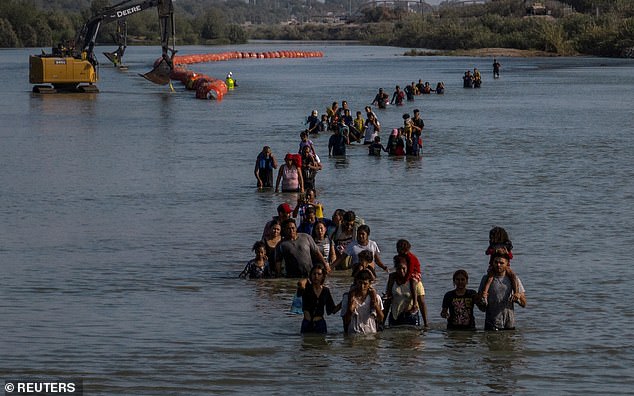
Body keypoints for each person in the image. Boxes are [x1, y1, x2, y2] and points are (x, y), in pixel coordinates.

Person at [476, 248, 526, 330]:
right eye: (496, 262)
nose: (498, 265)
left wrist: (518, 298)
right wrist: (481, 300)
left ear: (507, 263)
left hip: (509, 325)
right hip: (491, 325)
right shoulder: (486, 279)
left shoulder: (514, 279)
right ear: (492, 263)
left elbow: (524, 304)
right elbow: (482, 308)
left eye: (501, 263)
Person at [383, 255, 429, 328]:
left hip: (411, 317)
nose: (401, 271)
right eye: (398, 269)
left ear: (408, 268)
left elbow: (422, 303)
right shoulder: (392, 282)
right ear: (395, 269)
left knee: (412, 338)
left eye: (404, 268)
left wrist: (426, 324)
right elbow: (387, 303)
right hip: (395, 317)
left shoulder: (416, 283)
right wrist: (382, 322)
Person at [296, 264, 339, 334]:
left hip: (320, 324)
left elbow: (332, 310)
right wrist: (307, 279)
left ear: (323, 276)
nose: (316, 276)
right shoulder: (306, 289)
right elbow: (300, 284)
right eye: (314, 274)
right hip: (307, 323)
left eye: (319, 274)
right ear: (311, 275)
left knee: (322, 344)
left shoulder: (326, 291)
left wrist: (344, 302)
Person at [341, 269, 384, 335]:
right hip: (353, 335)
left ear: (369, 283)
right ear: (356, 282)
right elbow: (345, 321)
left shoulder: (376, 297)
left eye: (365, 283)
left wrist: (375, 305)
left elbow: (381, 318)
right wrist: (350, 310)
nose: (362, 286)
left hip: (371, 335)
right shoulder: (347, 298)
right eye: (360, 282)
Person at [481, 226, 518, 301]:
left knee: (513, 276)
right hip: (493, 266)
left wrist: (506, 253)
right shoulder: (492, 247)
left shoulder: (506, 246)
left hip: (505, 267)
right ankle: (484, 294)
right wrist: (494, 251)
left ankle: (516, 293)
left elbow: (511, 256)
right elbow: (487, 252)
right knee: (490, 278)